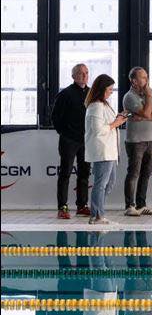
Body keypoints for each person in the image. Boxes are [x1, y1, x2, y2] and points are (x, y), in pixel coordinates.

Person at [83, 74, 128, 225]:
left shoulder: (104, 104)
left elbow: (108, 124)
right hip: (102, 150)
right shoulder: (95, 106)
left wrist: (119, 118)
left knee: (109, 183)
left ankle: (97, 211)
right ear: (101, 89)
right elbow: (98, 130)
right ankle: (97, 215)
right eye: (109, 89)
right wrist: (116, 123)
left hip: (110, 150)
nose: (111, 92)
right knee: (101, 184)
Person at [52, 63, 92, 219]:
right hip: (69, 140)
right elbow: (56, 117)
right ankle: (62, 207)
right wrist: (65, 133)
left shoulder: (91, 93)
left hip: (86, 140)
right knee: (65, 173)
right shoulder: (65, 94)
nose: (84, 75)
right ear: (73, 76)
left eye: (86, 72)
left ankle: (82, 206)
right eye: (81, 73)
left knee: (84, 174)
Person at [122, 67, 152, 217]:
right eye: (143, 77)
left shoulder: (148, 95)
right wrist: (148, 102)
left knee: (146, 174)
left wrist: (145, 116)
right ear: (134, 81)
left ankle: (141, 204)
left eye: (146, 77)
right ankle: (129, 206)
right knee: (134, 174)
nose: (146, 80)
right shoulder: (129, 97)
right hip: (135, 142)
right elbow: (147, 112)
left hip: (149, 140)